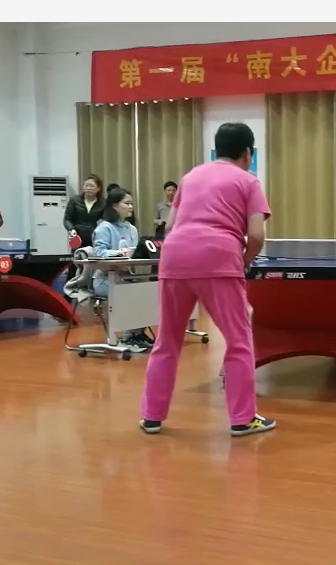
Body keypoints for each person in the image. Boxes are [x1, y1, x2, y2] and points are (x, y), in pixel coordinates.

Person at [140, 122, 275, 437]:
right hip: (218, 257)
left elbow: (170, 227)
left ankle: (151, 416)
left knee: (167, 340)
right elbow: (257, 235)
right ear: (248, 153)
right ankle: (243, 419)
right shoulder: (249, 181)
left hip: (174, 257)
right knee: (239, 341)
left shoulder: (189, 177)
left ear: (217, 149)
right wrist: (243, 261)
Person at [91, 187, 154, 353]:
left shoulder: (132, 229)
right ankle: (128, 337)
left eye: (131, 203)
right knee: (133, 294)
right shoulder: (104, 228)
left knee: (149, 292)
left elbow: (136, 254)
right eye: (126, 203)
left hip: (126, 277)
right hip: (105, 279)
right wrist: (121, 253)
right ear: (114, 206)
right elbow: (99, 253)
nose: (131, 207)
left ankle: (138, 334)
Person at [63, 174, 105, 249]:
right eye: (86, 185)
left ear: (98, 188)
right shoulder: (74, 200)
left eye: (91, 186)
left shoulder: (103, 203)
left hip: (95, 237)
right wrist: (71, 229)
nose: (88, 188)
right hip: (78, 235)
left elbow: (106, 220)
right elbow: (67, 219)